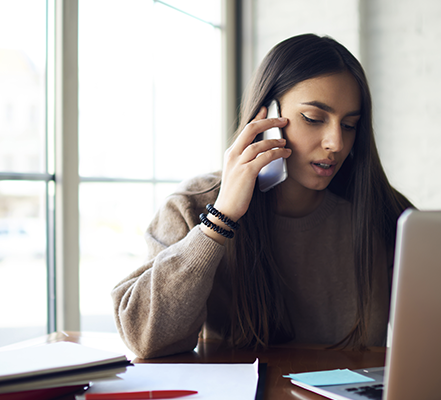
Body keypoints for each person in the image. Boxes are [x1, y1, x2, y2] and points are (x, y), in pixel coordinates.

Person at [112, 33, 413, 359]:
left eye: (350, 125)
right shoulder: (193, 205)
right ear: (265, 117)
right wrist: (220, 220)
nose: (335, 143)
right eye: (313, 119)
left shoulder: (387, 214)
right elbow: (143, 339)